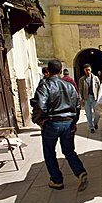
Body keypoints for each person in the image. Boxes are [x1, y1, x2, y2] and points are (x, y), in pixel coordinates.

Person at [30, 60, 88, 191]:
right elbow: (77, 106)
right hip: (68, 123)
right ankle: (80, 172)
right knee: (68, 150)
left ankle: (57, 180)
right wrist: (74, 122)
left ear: (48, 72)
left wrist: (38, 120)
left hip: (52, 123)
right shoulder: (69, 86)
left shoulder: (45, 86)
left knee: (49, 152)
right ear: (61, 70)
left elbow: (40, 105)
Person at [78, 63, 101, 133]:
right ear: (84, 71)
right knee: (88, 114)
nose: (87, 71)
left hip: (94, 97)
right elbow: (80, 90)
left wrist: (100, 98)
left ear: (91, 69)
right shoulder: (82, 79)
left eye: (88, 70)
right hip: (86, 98)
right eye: (86, 70)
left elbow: (99, 88)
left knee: (97, 113)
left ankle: (95, 122)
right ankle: (91, 127)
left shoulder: (95, 78)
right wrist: (81, 99)